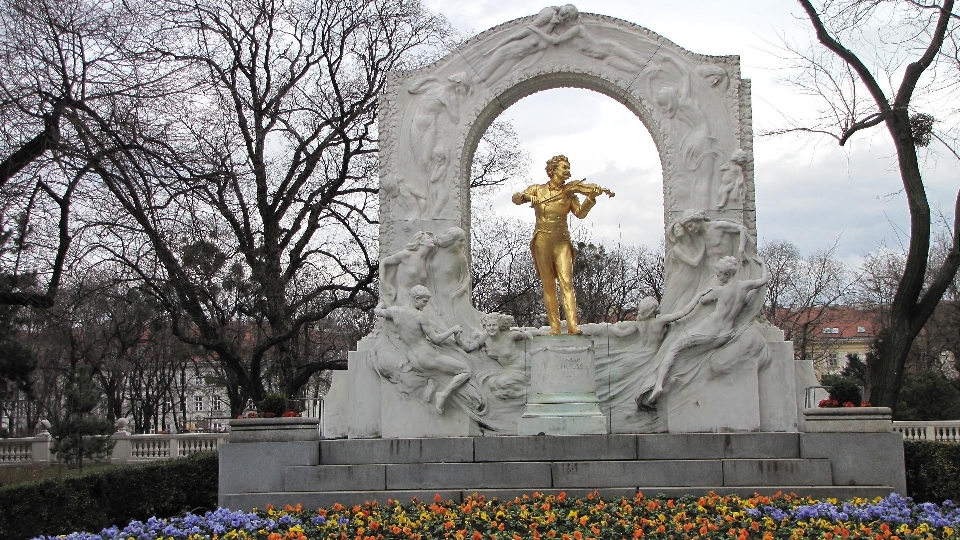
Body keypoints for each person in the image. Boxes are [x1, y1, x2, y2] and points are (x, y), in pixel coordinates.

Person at [641, 256, 769, 406]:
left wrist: (704, 292)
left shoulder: (720, 291)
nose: (717, 276)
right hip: (726, 334)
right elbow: (764, 279)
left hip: (710, 328)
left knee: (674, 348)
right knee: (693, 356)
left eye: (719, 273)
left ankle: (658, 385)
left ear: (727, 274)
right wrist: (761, 264)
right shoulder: (745, 286)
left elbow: (704, 301)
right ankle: (678, 381)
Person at [512, 155, 612, 334]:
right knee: (548, 284)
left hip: (562, 241)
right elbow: (515, 198)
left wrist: (591, 198)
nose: (567, 170)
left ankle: (573, 326)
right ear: (553, 170)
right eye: (564, 167)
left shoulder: (570, 193)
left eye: (568, 167)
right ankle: (555, 327)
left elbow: (580, 214)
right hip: (542, 240)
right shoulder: (538, 189)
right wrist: (525, 196)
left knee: (567, 282)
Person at [374, 285, 470, 415]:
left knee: (436, 372)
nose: (425, 305)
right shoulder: (420, 317)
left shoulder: (395, 311)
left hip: (412, 359)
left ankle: (431, 384)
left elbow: (378, 311)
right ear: (416, 298)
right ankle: (442, 394)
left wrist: (382, 303)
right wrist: (453, 330)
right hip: (427, 356)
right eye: (424, 301)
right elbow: (436, 339)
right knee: (465, 370)